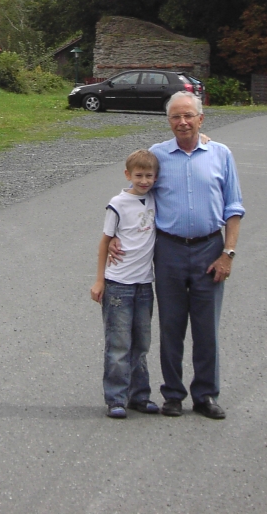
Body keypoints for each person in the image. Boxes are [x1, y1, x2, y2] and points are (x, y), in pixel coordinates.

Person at [110, 92, 243, 419]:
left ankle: (206, 395)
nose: (182, 122)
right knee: (171, 326)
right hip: (168, 249)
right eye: (175, 117)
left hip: (210, 249)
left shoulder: (221, 154)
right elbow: (136, 191)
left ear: (201, 119)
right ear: (168, 121)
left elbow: (234, 207)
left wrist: (228, 253)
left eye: (188, 116)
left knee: (206, 328)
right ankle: (172, 394)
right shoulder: (158, 155)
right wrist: (114, 233)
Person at [91, 149, 161, 419]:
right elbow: (105, 241)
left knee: (141, 343)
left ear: (156, 177)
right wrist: (100, 280)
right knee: (119, 344)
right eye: (139, 175)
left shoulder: (154, 198)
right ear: (127, 175)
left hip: (144, 284)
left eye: (149, 176)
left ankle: (139, 395)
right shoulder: (118, 204)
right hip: (118, 284)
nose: (144, 181)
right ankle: (116, 398)